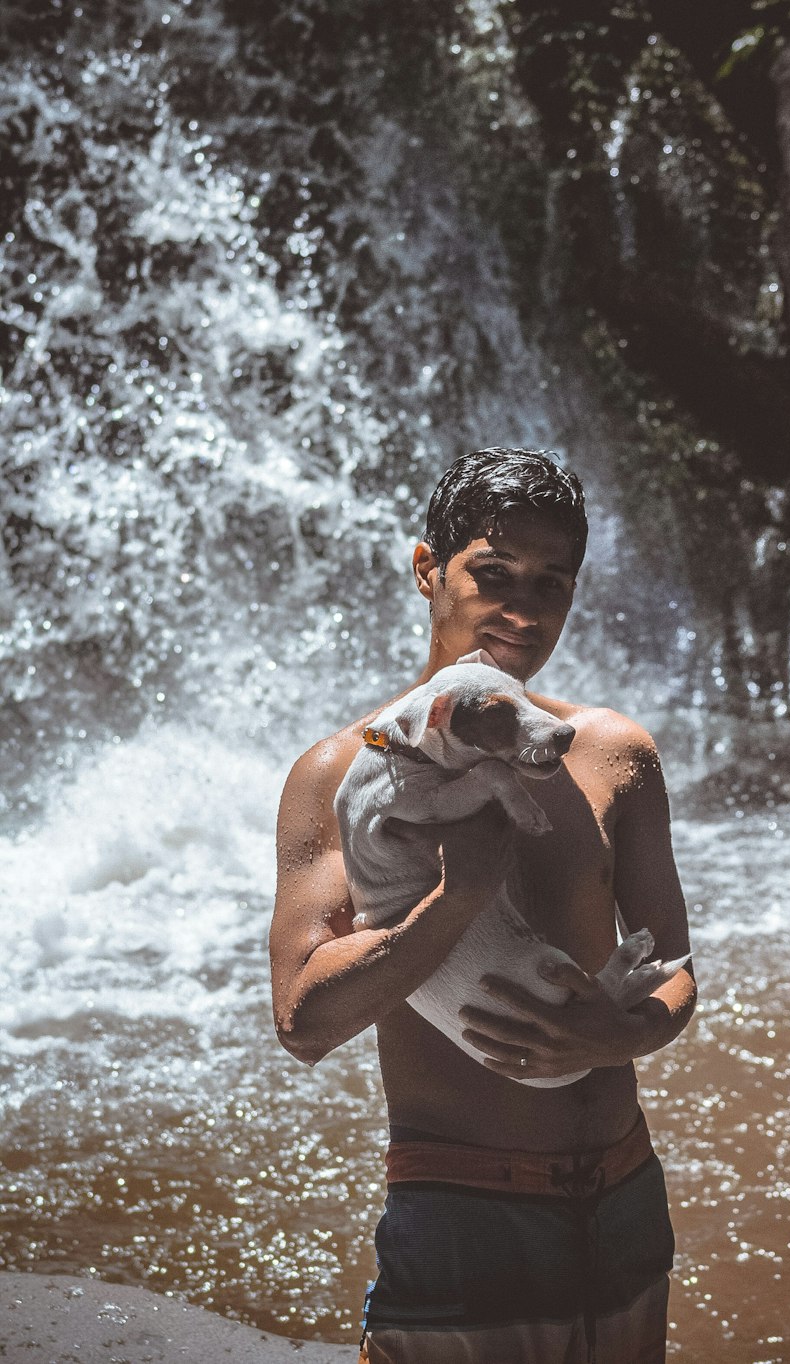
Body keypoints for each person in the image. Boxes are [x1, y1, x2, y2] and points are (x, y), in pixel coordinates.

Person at [269, 448, 696, 1364]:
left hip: (623, 1204)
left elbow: (677, 973)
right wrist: (455, 900)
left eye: (553, 583)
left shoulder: (613, 754)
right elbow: (304, 1020)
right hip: (463, 1216)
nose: (523, 611)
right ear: (428, 569)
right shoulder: (341, 775)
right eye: (492, 575)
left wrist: (623, 1038)